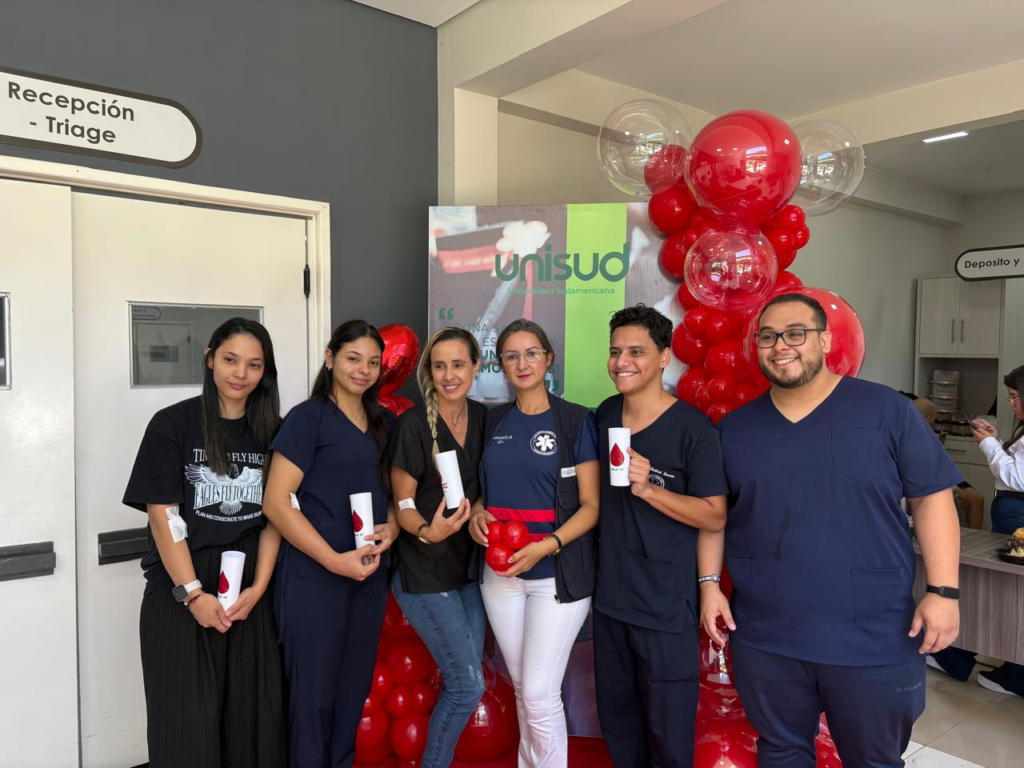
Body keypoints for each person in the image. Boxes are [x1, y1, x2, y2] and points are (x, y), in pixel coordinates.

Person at [698, 293, 963, 768]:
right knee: (780, 753)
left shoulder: (885, 411)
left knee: (874, 760)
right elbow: (716, 517)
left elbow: (932, 497)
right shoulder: (735, 430)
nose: (781, 346)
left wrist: (944, 590)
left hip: (872, 634)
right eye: (768, 336)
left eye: (795, 333)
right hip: (766, 634)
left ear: (823, 339)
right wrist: (709, 585)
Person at [123, 317, 285, 767]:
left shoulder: (274, 432)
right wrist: (192, 594)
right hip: (182, 588)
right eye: (230, 360)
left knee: (249, 725)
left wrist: (260, 588)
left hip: (249, 594)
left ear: (265, 371)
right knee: (184, 725)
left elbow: (276, 518)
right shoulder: (172, 424)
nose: (240, 373)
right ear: (210, 358)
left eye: (254, 365)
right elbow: (164, 516)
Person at [593, 305, 728, 768]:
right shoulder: (605, 414)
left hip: (665, 607)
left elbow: (714, 515)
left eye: (635, 351)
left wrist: (651, 489)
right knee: (619, 725)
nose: (621, 362)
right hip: (610, 602)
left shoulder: (693, 429)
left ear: (664, 357)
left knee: (669, 737)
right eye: (614, 352)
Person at [262, 320, 398, 768]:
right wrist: (333, 561)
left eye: (373, 362)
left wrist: (394, 526)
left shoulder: (382, 422)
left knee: (350, 695)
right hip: (314, 578)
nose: (363, 370)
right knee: (312, 700)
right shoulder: (309, 418)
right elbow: (277, 503)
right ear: (330, 358)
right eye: (352, 358)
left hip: (367, 577)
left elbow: (399, 492)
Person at [468, 318, 599, 768]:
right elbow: (484, 489)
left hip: (555, 577)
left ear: (548, 359)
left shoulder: (576, 420)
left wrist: (547, 546)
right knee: (526, 689)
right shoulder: (491, 420)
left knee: (541, 694)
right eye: (511, 355)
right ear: (500, 364)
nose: (522, 363)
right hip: (500, 576)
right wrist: (479, 514)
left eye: (531, 353)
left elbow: (591, 507)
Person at [388, 327, 488, 767]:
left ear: (476, 367)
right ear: (429, 370)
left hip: (468, 572)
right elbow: (402, 503)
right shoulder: (413, 424)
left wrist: (481, 509)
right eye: (440, 365)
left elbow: (488, 485)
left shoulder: (485, 419)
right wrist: (430, 531)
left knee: (461, 681)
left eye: (459, 364)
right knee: (469, 686)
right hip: (423, 572)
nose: (449, 375)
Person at [932, 366, 1024, 698]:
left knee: (1001, 588)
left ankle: (969, 660)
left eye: (1015, 398)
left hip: (1017, 509)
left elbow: (1016, 478)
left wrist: (988, 445)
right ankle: (1008, 668)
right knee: (1007, 589)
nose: (1012, 404)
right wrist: (996, 440)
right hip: (1013, 508)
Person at [913, 397, 984, 529]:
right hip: (938, 485)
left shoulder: (905, 434)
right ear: (928, 418)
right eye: (934, 419)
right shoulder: (923, 438)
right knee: (961, 499)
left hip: (932, 482)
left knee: (974, 498)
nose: (934, 423)